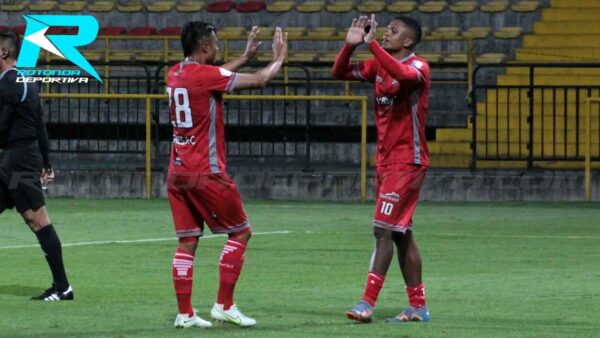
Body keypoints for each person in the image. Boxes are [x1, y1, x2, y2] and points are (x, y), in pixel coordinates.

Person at [166, 22, 287, 329]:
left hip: (177, 171)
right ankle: (225, 304)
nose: (218, 49)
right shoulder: (207, 76)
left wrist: (244, 57)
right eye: (216, 44)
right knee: (241, 232)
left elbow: (215, 75)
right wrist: (279, 59)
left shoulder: (175, 72)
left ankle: (185, 313)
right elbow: (260, 81)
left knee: (187, 242)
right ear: (205, 47)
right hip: (206, 172)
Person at [332, 14, 431, 323]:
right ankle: (418, 307)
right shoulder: (377, 66)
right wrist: (349, 47)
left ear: (409, 41)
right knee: (402, 234)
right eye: (386, 29)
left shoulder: (419, 67)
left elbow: (401, 75)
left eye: (393, 31)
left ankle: (367, 303)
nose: (386, 33)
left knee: (382, 229)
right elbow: (339, 73)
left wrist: (372, 44)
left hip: (407, 161)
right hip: (386, 161)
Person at [0, 30, 73, 301]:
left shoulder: (9, 83)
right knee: (35, 219)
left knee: (38, 220)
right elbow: (40, 123)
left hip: (19, 161)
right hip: (17, 159)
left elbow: (3, 127)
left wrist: (42, 161)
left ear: (3, 53)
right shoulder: (26, 80)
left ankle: (63, 287)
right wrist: (47, 161)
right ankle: (62, 286)